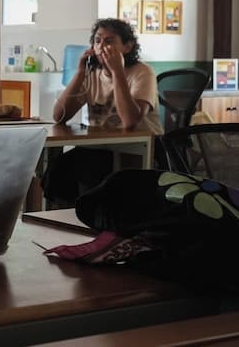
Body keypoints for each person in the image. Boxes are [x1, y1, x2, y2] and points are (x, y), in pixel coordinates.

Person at [44, 17, 161, 207]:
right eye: (97, 41)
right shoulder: (92, 74)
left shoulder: (142, 72)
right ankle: (66, 217)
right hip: (101, 147)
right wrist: (80, 73)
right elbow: (59, 116)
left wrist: (117, 72)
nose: (101, 47)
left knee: (90, 170)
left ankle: (92, 217)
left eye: (109, 41)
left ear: (127, 46)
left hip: (140, 148)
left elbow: (130, 120)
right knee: (59, 168)